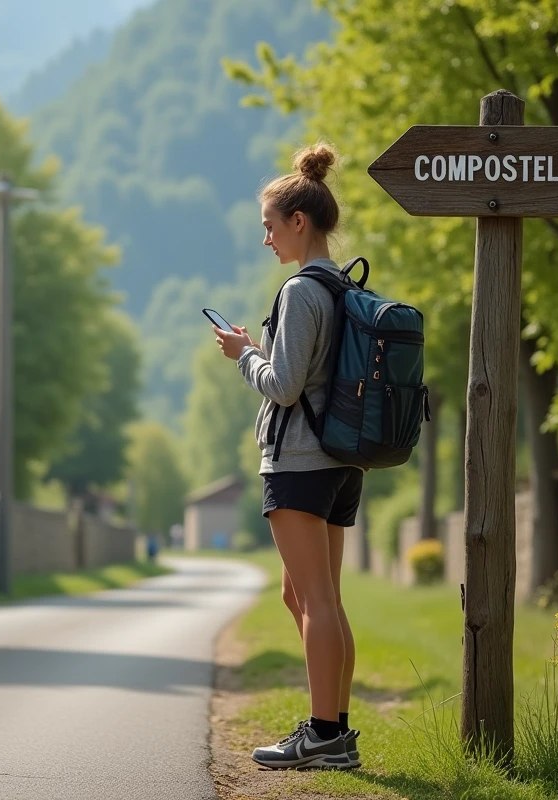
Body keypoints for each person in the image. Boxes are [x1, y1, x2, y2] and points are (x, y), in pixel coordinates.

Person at [213, 142, 362, 771]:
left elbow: (284, 386)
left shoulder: (302, 290)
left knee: (316, 601)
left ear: (299, 222)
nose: (267, 239)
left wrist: (243, 355)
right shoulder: (344, 283)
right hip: (339, 460)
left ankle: (325, 734)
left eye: (270, 226)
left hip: (300, 462)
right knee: (308, 598)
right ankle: (335, 729)